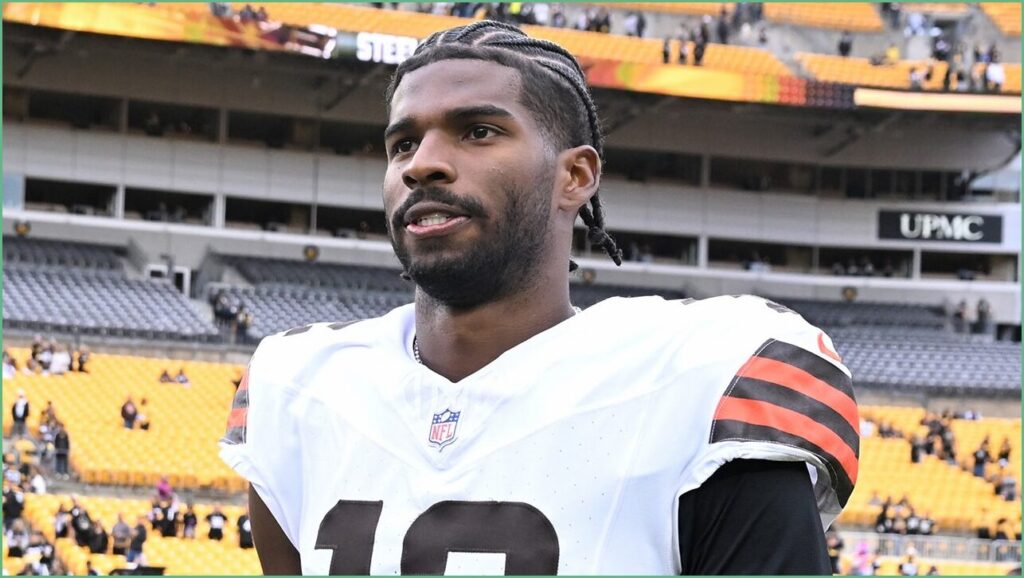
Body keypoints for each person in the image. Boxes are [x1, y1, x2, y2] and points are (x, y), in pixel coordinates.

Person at [220, 20, 858, 575]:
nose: (421, 165)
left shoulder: (707, 380)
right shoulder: (298, 388)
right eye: (403, 144)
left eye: (477, 131)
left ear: (575, 176)